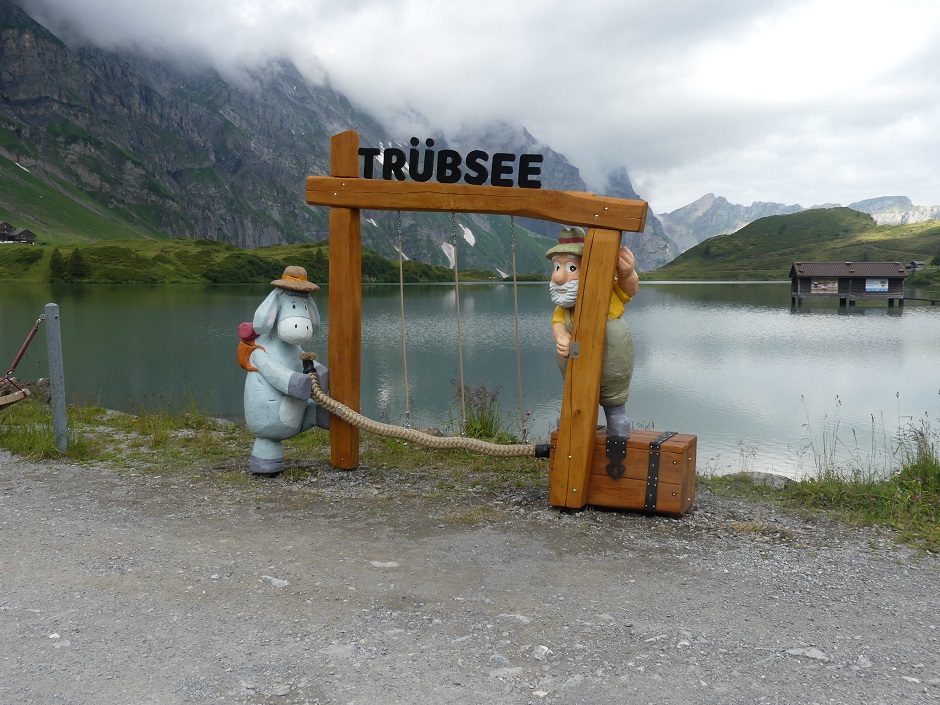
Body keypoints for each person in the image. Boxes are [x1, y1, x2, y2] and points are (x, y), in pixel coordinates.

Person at [547, 226, 638, 475]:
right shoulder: (565, 306)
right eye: (557, 267)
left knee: (615, 411)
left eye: (570, 268)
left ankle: (618, 457)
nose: (558, 277)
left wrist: (628, 272)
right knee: (572, 408)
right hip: (575, 366)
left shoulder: (608, 291)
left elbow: (629, 290)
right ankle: (566, 452)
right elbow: (557, 322)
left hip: (613, 366)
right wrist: (562, 335)